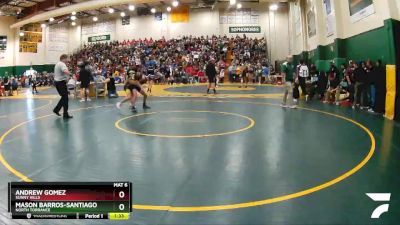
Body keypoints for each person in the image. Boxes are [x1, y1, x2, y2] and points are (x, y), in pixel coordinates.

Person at [53, 54, 73, 119]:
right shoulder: (62, 64)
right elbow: (65, 71)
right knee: (65, 98)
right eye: (68, 59)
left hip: (58, 82)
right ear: (64, 58)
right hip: (60, 83)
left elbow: (62, 74)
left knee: (64, 98)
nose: (68, 60)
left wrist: (66, 79)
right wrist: (72, 74)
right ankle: (64, 114)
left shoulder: (58, 64)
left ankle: (58, 110)